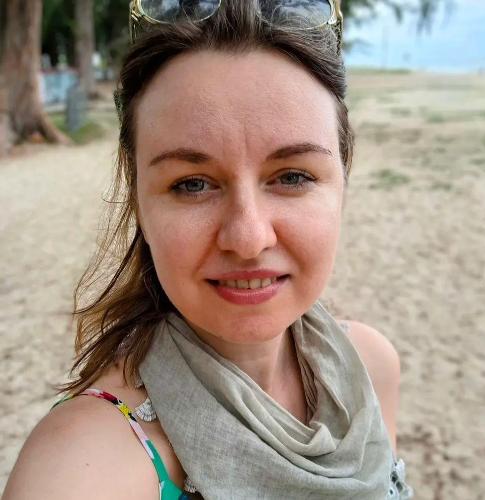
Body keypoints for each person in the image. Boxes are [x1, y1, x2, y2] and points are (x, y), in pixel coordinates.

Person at [3, 1, 414, 499]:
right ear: (138, 201)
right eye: (192, 184)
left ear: (343, 181)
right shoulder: (82, 467)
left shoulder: (370, 367)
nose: (248, 238)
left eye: (292, 177)